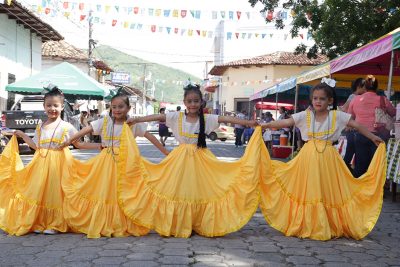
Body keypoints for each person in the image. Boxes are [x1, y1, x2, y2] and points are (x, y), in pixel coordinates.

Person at [120, 83, 260, 238]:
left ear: (201, 102)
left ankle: (197, 221)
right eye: (190, 101)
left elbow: (227, 118)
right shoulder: (176, 117)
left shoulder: (207, 119)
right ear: (185, 102)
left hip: (201, 160)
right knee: (179, 190)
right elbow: (158, 116)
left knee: (199, 190)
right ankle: (181, 222)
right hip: (179, 161)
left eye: (196, 101)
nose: (193, 104)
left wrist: (249, 123)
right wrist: (137, 120)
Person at [259, 79, 386, 240]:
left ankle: (327, 222)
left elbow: (358, 125)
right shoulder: (305, 116)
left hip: (329, 159)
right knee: (309, 188)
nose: (318, 101)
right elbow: (286, 121)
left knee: (327, 189)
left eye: (322, 98)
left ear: (330, 101)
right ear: (311, 100)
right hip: (308, 158)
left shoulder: (337, 116)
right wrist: (264, 126)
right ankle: (308, 223)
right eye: (315, 98)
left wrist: (373, 136)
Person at [61, 92, 168, 238]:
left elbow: (150, 137)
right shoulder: (104, 122)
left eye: (121, 107)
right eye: (114, 107)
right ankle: (106, 222)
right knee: (106, 191)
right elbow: (87, 130)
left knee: (125, 191)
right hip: (106, 163)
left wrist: (165, 152)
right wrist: (69, 141)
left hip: (127, 163)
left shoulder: (133, 124)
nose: (117, 110)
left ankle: (124, 221)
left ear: (128, 108)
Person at [0, 87, 96, 236]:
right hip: (41, 164)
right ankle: (41, 221)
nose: (52, 108)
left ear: (62, 107)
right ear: (44, 107)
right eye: (49, 105)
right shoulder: (41, 126)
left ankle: (56, 223)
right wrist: (22, 135)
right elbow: (36, 146)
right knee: (41, 192)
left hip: (59, 165)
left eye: (56, 105)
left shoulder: (67, 127)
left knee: (55, 193)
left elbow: (79, 144)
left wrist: (100, 146)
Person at [348, 75, 396, 177]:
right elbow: (393, 113)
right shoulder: (383, 99)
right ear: (377, 87)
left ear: (365, 86)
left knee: (360, 165)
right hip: (379, 136)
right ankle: (374, 191)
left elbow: (349, 117)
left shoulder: (355, 99)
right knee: (376, 166)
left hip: (360, 135)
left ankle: (357, 189)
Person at [341, 78, 367, 173]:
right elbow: (344, 108)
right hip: (352, 129)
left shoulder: (360, 97)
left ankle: (348, 173)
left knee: (354, 154)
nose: (366, 88)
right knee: (350, 154)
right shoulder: (353, 96)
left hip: (356, 129)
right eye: (364, 86)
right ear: (358, 86)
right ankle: (345, 173)